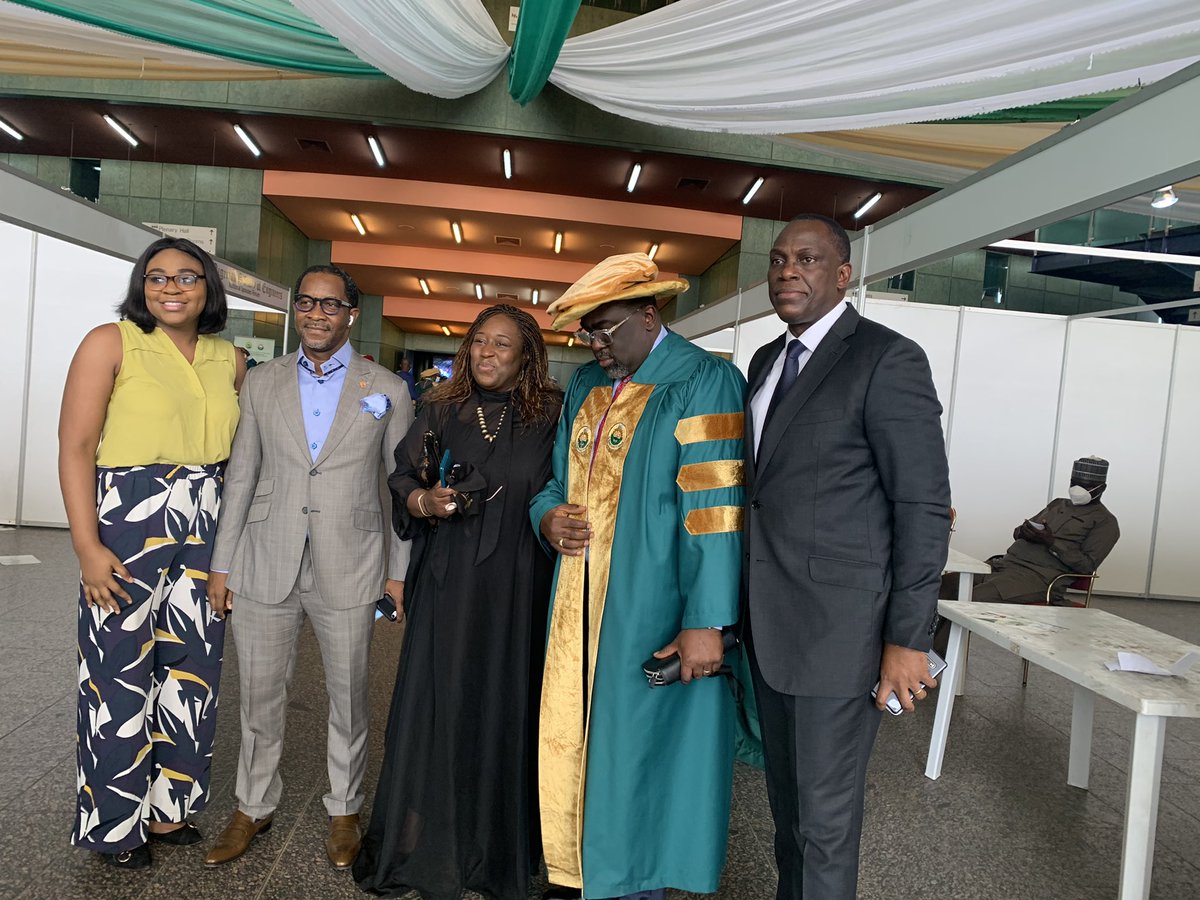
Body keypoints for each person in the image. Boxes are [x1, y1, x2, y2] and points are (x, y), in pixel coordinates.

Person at [743, 214, 951, 900]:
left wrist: (907, 639)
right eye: (777, 259)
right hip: (769, 626)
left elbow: (921, 507)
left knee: (824, 827)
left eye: (806, 259)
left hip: (840, 636)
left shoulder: (888, 359)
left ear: (842, 274)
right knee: (789, 819)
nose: (786, 271)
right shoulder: (767, 362)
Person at [530, 253, 746, 900]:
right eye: (586, 334)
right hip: (576, 602)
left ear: (650, 315)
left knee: (639, 757)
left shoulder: (706, 380)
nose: (595, 345)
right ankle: (585, 871)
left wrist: (706, 621)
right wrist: (547, 519)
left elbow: (715, 514)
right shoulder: (585, 387)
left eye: (606, 330)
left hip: (651, 604)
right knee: (582, 745)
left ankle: (632, 885)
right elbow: (551, 485)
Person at [204, 264, 413, 868]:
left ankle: (344, 811)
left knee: (349, 696)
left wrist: (397, 571)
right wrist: (224, 566)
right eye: (307, 303)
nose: (317, 314)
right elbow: (242, 476)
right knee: (259, 694)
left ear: (352, 312)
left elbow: (397, 487)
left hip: (352, 561)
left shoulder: (387, 389)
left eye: (330, 304)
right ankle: (252, 805)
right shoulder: (262, 382)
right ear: (295, 310)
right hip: (264, 557)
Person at [354, 304, 562, 899]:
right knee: (442, 701)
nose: (488, 354)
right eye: (479, 344)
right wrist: (424, 503)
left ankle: (496, 849)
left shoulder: (551, 413)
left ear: (527, 355)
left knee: (503, 702)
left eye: (502, 345)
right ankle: (430, 845)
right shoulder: (441, 408)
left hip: (519, 583)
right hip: (450, 579)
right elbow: (404, 477)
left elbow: (562, 485)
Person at [58, 237, 245, 868]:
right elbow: (76, 447)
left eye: (186, 276)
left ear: (208, 288)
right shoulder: (109, 342)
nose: (171, 287)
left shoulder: (231, 359)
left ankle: (170, 813)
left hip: (206, 525)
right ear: (141, 285)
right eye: (157, 276)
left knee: (191, 672)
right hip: (128, 521)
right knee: (117, 676)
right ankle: (114, 826)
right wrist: (87, 544)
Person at [973, 456, 1119, 605]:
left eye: (1085, 486)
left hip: (1037, 578)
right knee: (950, 585)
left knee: (972, 597)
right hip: (1004, 564)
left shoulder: (1105, 522)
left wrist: (1052, 543)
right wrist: (1023, 532)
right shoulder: (1057, 504)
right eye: (1074, 483)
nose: (1077, 490)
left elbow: (1086, 567)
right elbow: (1019, 531)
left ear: (1102, 488)